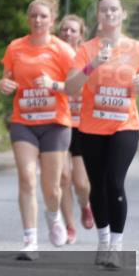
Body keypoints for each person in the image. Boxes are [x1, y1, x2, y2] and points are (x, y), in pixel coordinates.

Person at [65, 0, 139, 269]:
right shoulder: (87, 50)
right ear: (98, 17)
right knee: (97, 186)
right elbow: (70, 88)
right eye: (104, 10)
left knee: (114, 182)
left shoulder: (137, 48)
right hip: (91, 127)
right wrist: (93, 66)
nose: (110, 14)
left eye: (114, 10)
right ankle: (102, 240)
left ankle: (116, 244)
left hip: (125, 125)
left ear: (123, 14)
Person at [0, 0, 76, 261]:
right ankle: (30, 239)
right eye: (34, 16)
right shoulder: (15, 48)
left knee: (51, 188)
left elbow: (77, 88)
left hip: (55, 124)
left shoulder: (63, 50)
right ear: (28, 19)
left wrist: (54, 85)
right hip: (24, 123)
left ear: (52, 21)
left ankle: (54, 216)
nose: (38, 20)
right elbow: (6, 80)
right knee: (27, 178)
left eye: (43, 16)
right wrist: (4, 85)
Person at [57, 14, 94, 242]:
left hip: (82, 125)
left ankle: (86, 204)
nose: (67, 34)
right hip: (58, 123)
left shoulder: (88, 57)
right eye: (64, 30)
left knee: (80, 182)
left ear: (81, 35)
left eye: (72, 30)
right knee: (63, 178)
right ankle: (69, 226)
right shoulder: (51, 54)